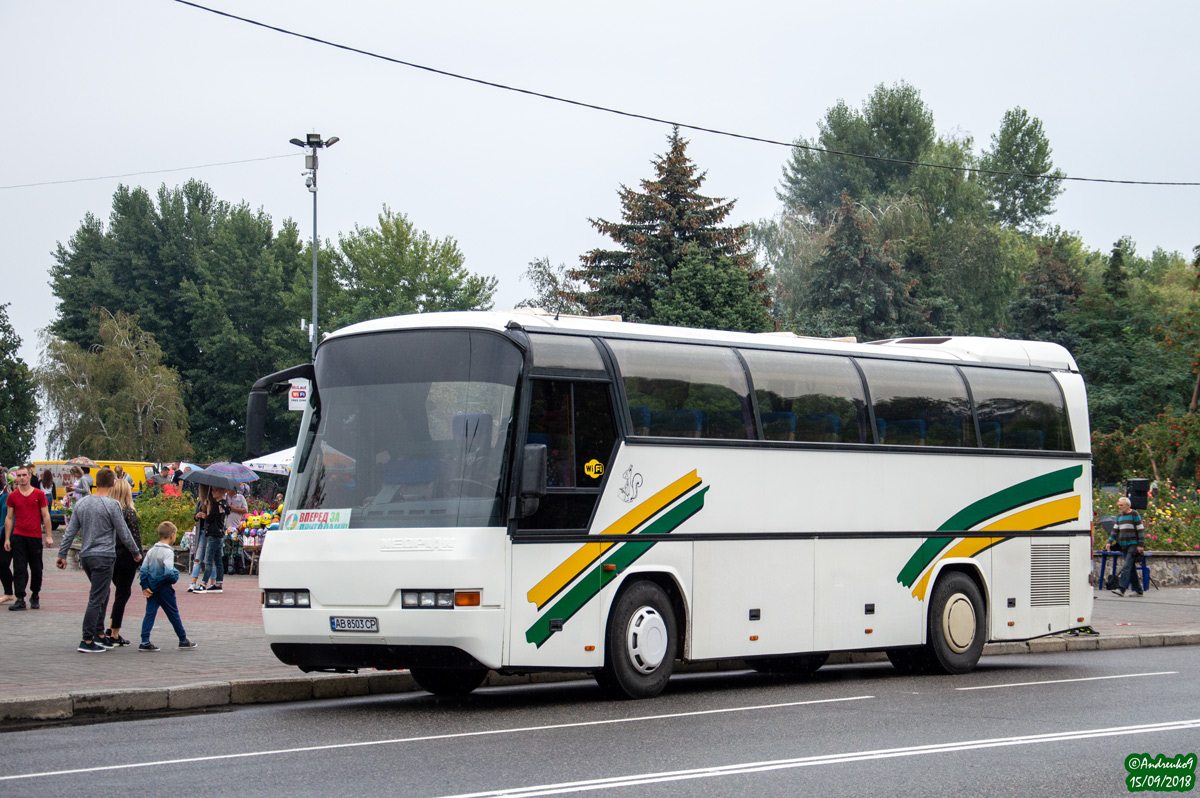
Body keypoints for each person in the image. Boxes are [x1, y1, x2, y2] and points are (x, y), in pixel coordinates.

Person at [55, 467, 142, 653]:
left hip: (86, 556)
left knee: (103, 593)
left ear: (95, 482)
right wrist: (135, 552)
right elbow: (123, 532)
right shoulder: (112, 505)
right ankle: (86, 639)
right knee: (97, 597)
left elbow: (70, 531)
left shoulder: (82, 504)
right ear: (112, 483)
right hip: (104, 556)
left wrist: (62, 554)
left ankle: (99, 634)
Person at [138, 521, 196, 652]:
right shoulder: (168, 552)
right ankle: (182, 639)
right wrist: (174, 577)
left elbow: (143, 570)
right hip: (164, 588)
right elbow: (169, 571)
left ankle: (144, 640)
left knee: (149, 614)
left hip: (151, 588)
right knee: (173, 613)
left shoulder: (151, 551)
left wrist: (145, 585)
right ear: (172, 535)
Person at [5, 464, 55, 611]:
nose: (21, 478)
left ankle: (35, 594)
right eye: (18, 476)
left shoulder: (39, 494)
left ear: (29, 476)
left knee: (37, 568)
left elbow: (46, 515)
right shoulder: (12, 496)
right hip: (18, 536)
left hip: (35, 536)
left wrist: (49, 536)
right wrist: (7, 538)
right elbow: (9, 517)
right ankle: (20, 598)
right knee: (19, 568)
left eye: (23, 475)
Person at [104, 479, 144, 646]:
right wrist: (139, 555)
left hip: (109, 554)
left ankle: (111, 626)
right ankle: (114, 631)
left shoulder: (108, 511)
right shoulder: (129, 512)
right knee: (123, 593)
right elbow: (135, 536)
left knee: (118, 592)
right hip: (126, 556)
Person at [1106, 495, 1146, 597]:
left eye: (1121, 505)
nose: (1119, 507)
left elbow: (1140, 530)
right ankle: (1139, 591)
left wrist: (1141, 544)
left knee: (1126, 566)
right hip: (1124, 545)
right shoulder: (1119, 516)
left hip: (1133, 545)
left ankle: (1121, 589)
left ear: (1128, 506)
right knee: (1131, 569)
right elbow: (1115, 531)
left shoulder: (1134, 514)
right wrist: (1109, 542)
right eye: (1119, 505)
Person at [195, 484, 229, 593]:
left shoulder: (218, 505)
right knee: (218, 560)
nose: (213, 492)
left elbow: (209, 519)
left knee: (208, 560)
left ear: (221, 491)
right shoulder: (225, 505)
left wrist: (208, 507)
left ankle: (203, 583)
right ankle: (218, 583)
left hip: (213, 534)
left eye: (215, 490)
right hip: (220, 534)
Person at [0, 469, 13, 605]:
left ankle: (23, 594)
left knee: (22, 566)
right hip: (3, 534)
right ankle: (9, 592)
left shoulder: (7, 496)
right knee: (2, 563)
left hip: (16, 533)